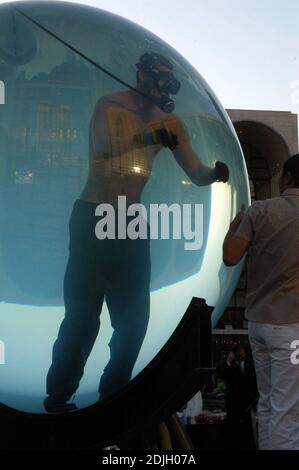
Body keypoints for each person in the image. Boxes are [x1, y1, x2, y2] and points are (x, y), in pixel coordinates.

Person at [44, 52, 229, 412]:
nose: (164, 86)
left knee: (134, 320)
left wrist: (215, 173)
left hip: (130, 220)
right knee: (82, 315)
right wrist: (149, 136)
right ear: (141, 76)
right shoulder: (110, 107)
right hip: (94, 216)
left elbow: (196, 171)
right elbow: (103, 152)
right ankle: (59, 397)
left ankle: (114, 394)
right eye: (158, 77)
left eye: (168, 79)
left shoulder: (171, 124)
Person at [222, 154, 299, 450]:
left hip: (258, 324)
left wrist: (234, 226)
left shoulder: (259, 211)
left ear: (289, 177)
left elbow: (230, 257)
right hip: (291, 328)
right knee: (288, 410)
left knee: (267, 404)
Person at [217, 344, 258, 425]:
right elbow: (221, 374)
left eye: (242, 352)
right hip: (233, 405)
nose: (241, 354)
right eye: (238, 352)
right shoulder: (229, 365)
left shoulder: (251, 363)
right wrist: (228, 361)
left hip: (248, 405)